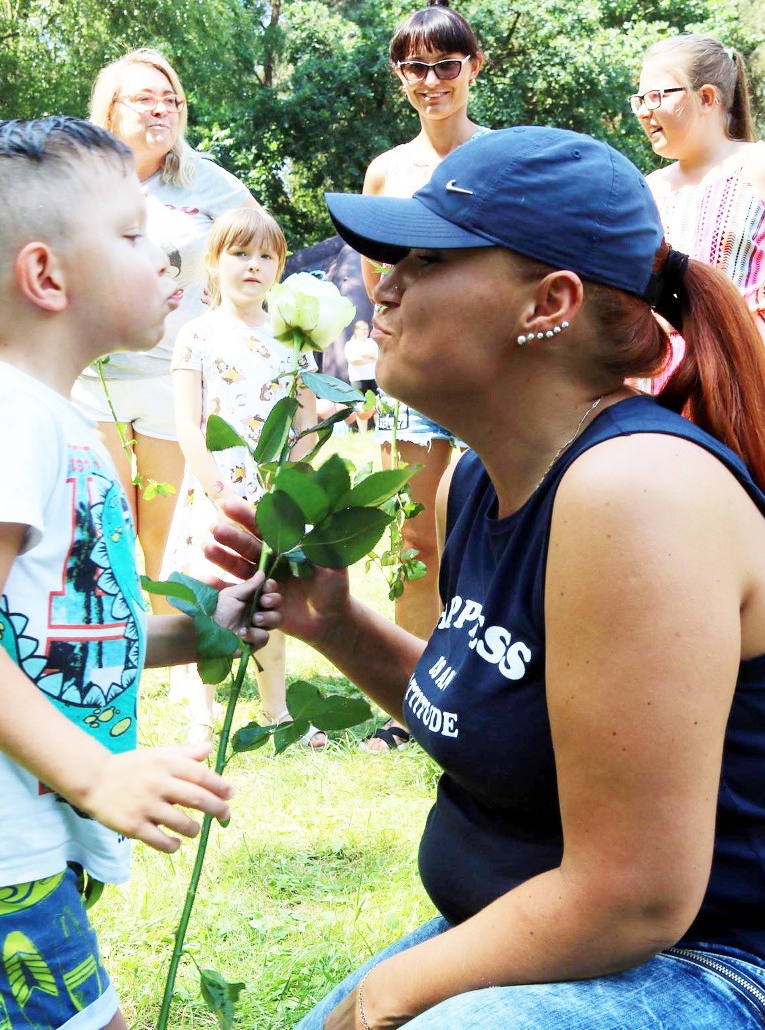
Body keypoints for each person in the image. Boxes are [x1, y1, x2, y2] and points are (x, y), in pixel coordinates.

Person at [208, 125, 765, 1028]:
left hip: (710, 961)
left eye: (425, 259)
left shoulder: (637, 492)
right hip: (561, 933)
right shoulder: (476, 478)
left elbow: (636, 896)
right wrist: (340, 628)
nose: (380, 287)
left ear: (549, 301)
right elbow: (496, 717)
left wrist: (386, 995)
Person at [0, 116, 280, 1030]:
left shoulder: (57, 419)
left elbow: (58, 628)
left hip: (32, 814)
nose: (166, 256)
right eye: (132, 236)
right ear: (46, 277)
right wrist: (95, 775)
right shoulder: (5, 416)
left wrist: (203, 627)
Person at [70, 48, 259, 611]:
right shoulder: (76, 174)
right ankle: (109, 638)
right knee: (103, 521)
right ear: (111, 112)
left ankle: (168, 641)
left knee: (165, 526)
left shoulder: (205, 180)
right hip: (89, 375)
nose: (161, 111)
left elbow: (260, 243)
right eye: (144, 99)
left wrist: (228, 313)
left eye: (170, 100)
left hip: (170, 374)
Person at [360, 0, 487, 751]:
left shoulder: (504, 157)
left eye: (446, 64)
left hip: (489, 374)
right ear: (399, 74)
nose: (432, 79)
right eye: (415, 66)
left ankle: (488, 689)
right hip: (414, 375)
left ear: (474, 66)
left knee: (488, 533)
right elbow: (381, 278)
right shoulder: (387, 170)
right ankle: (411, 700)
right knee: (414, 534)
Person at [164, 207, 324, 748]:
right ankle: (201, 718)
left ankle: (276, 710)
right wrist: (218, 492)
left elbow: (306, 419)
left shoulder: (296, 338)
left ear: (279, 266)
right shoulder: (196, 335)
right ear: (213, 261)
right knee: (209, 600)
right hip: (216, 490)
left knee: (267, 598)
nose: (253, 266)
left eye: (265, 256)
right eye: (239, 253)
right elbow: (188, 421)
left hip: (274, 493)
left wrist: (294, 481)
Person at [633, 33, 764, 358]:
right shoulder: (649, 188)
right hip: (657, 389)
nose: (643, 112)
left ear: (706, 98)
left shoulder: (756, 166)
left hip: (743, 376)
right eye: (638, 100)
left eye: (654, 97)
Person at [344, 320, 378, 432]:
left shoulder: (371, 342)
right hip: (357, 379)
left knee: (376, 403)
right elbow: (353, 359)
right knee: (360, 406)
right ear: (356, 330)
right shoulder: (350, 344)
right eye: (362, 329)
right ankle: (363, 431)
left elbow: (376, 356)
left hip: (372, 377)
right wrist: (367, 357)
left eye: (367, 329)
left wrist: (362, 356)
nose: (365, 332)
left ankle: (378, 429)